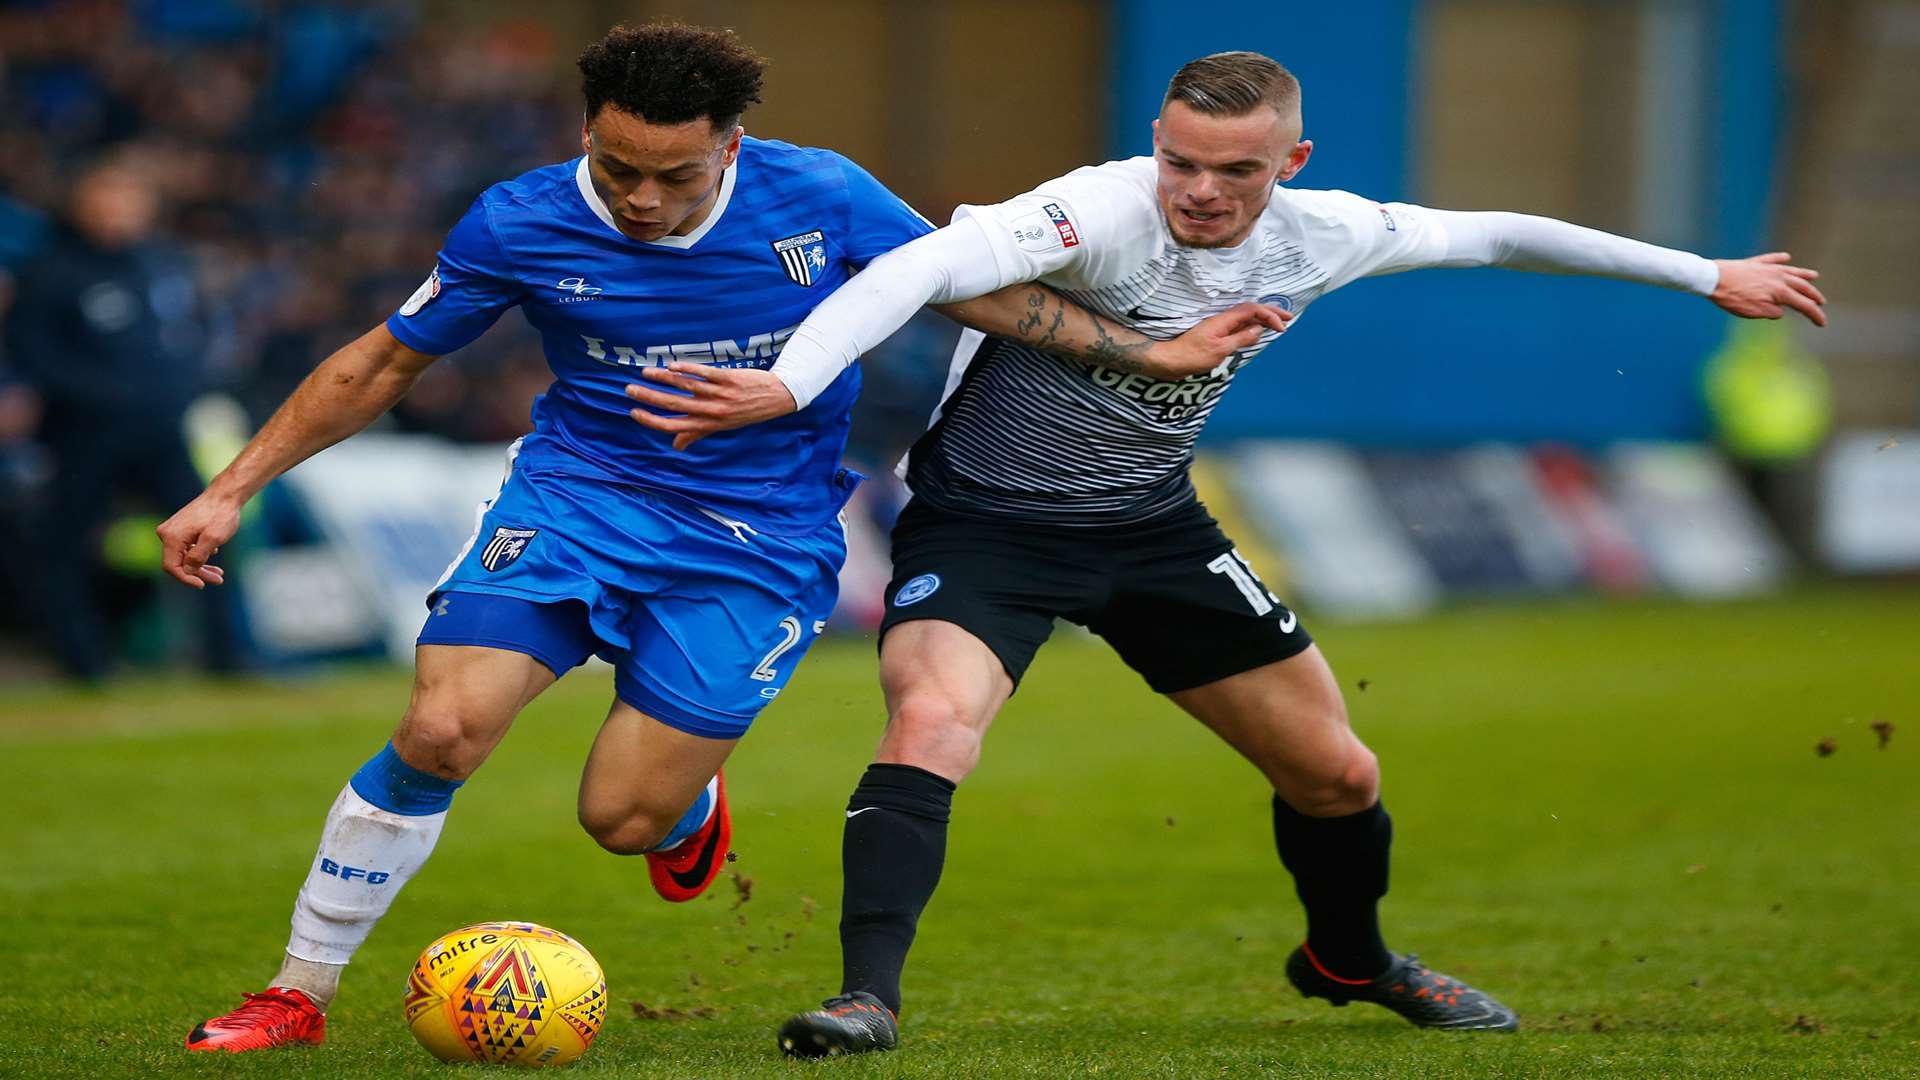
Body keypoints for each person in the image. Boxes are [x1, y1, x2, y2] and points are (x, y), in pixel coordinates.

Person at [622, 51, 1827, 1053]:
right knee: (929, 724)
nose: (1199, 191)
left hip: (1153, 528)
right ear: (1157, 143)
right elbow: (924, 265)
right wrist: (790, 382)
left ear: (1290, 164)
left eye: (1234, 171)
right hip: (987, 527)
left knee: (1339, 777)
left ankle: (1349, 963)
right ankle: (864, 999)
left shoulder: (1332, 233)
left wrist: (1706, 273)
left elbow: (1499, 233)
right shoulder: (1096, 208)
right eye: (1181, 161)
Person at [158, 24, 1276, 1055]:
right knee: (444, 729)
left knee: (623, 816)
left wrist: (1148, 352)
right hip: (576, 501)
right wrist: (233, 489)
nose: (642, 198)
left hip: (760, 540)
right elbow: (384, 362)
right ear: (586, 135)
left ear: (733, 145)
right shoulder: (518, 219)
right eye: (617, 168)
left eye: (676, 175)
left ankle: (684, 809)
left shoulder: (823, 195)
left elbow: (974, 291)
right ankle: (298, 990)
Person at [5, 156, 242, 681]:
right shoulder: (51, 272)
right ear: (81, 204)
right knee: (65, 546)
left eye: (127, 199)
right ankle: (84, 666)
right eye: (105, 197)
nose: (116, 211)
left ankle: (232, 659)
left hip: (162, 432)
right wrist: (104, 397)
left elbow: (193, 333)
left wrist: (183, 386)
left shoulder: (161, 264)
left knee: (211, 534)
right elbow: (33, 352)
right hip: (82, 435)